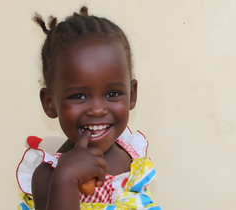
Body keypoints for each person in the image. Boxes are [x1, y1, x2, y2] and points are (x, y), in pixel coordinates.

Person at [16, 6, 161, 210]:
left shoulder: (132, 155)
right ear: (50, 103)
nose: (97, 110)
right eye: (78, 96)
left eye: (112, 94)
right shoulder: (48, 175)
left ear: (132, 95)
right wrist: (65, 179)